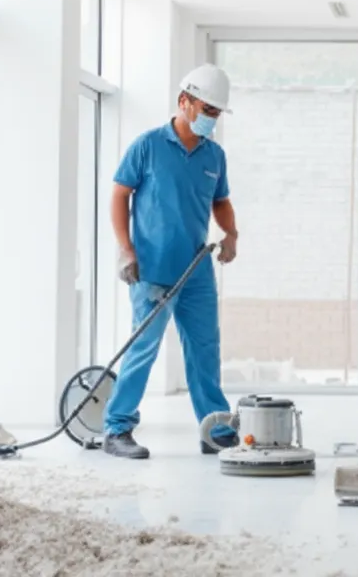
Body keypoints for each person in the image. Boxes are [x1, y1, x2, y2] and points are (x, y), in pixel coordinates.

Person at [102, 64, 241, 460]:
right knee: (143, 348)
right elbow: (118, 195)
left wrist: (231, 234)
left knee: (204, 349)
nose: (211, 119)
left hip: (196, 269)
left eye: (217, 112)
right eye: (207, 109)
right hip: (152, 270)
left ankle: (214, 428)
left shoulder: (215, 155)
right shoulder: (147, 146)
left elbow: (221, 201)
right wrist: (126, 250)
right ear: (184, 101)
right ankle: (117, 429)